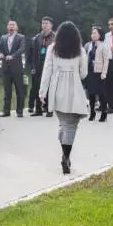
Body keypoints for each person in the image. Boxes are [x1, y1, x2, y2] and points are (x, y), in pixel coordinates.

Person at [39, 21, 88, 175]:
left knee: (64, 124)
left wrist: (42, 91)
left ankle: (65, 155)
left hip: (57, 89)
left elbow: (47, 70)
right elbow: (84, 73)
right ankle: (65, 157)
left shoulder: (52, 49)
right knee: (71, 125)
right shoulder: (80, 50)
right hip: (74, 90)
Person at [28, 16, 56, 117]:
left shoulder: (55, 37)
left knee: (49, 88)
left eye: (46, 23)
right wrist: (32, 67)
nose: (44, 25)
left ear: (51, 25)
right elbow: (33, 53)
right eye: (43, 23)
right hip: (38, 65)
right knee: (37, 87)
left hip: (50, 66)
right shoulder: (37, 37)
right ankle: (38, 109)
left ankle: (49, 109)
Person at [0, 21, 26, 118]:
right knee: (7, 91)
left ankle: (20, 111)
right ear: (7, 27)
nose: (11, 26)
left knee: (19, 90)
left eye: (13, 25)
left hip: (17, 68)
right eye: (9, 25)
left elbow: (21, 49)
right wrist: (0, 54)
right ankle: (6, 111)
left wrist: (12, 56)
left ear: (16, 27)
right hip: (6, 68)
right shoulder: (3, 38)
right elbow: (0, 48)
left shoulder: (21, 37)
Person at [83, 26, 109, 122]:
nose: (92, 35)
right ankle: (92, 112)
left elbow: (106, 61)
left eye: (95, 33)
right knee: (91, 94)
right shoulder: (90, 45)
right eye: (92, 33)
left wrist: (104, 73)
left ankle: (104, 113)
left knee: (101, 94)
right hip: (90, 72)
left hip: (99, 73)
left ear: (100, 35)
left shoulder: (104, 46)